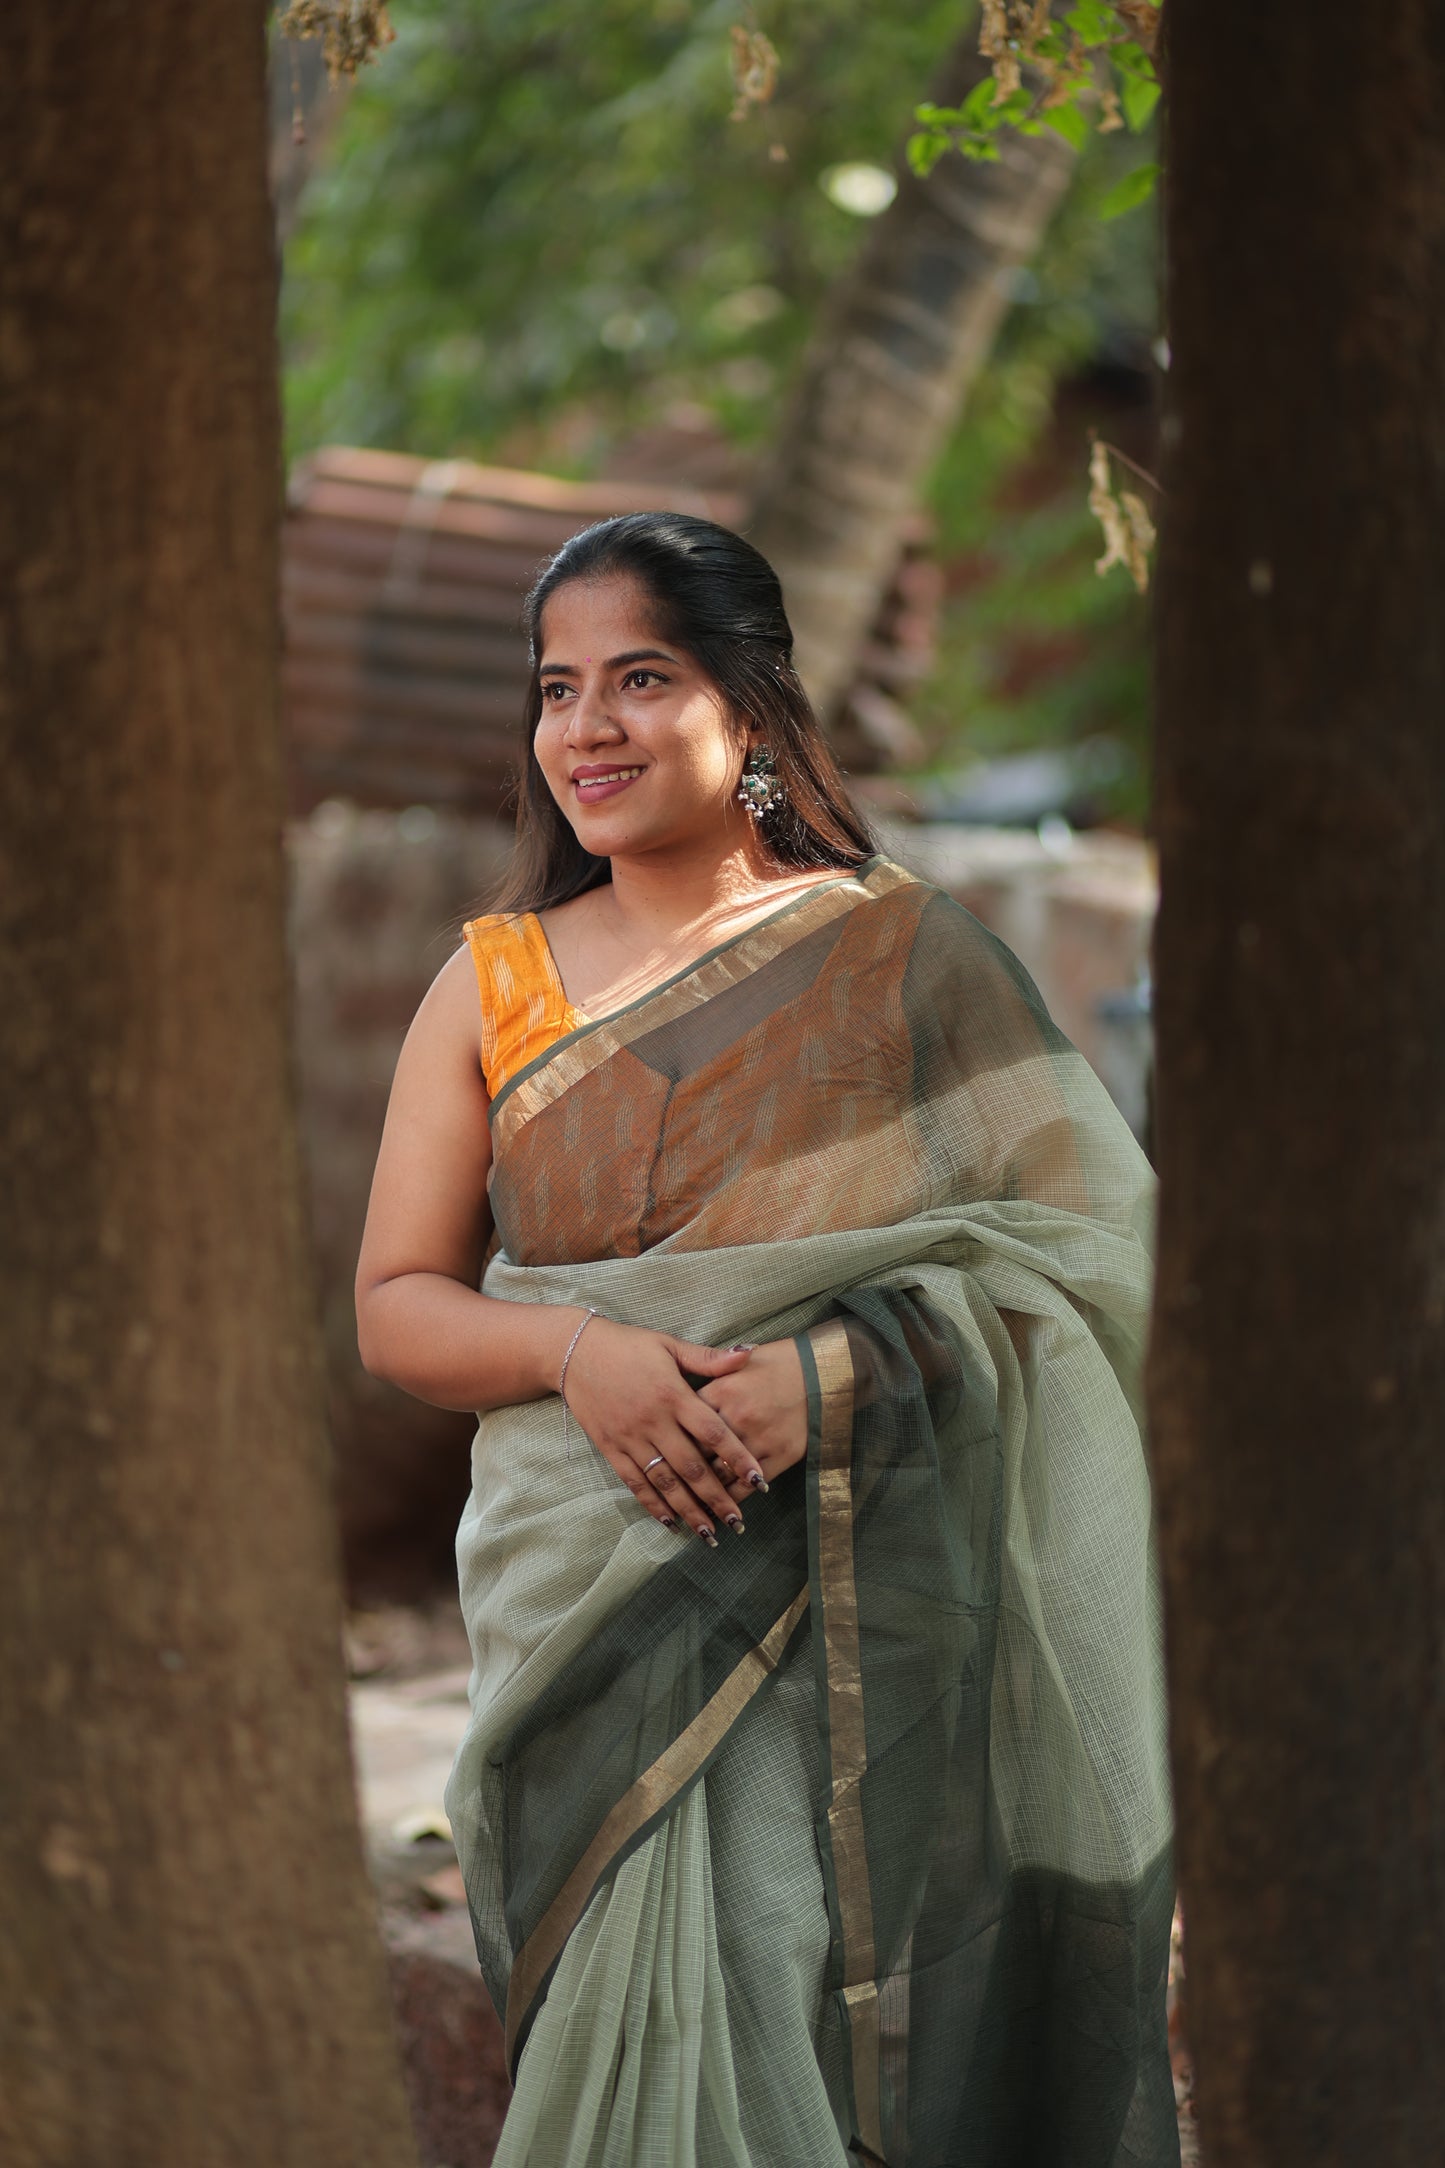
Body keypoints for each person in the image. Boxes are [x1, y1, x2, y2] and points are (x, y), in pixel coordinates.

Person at [355, 512, 1178, 2168]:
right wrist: (580, 1354)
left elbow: (1090, 1260)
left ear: (747, 704)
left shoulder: (905, 960)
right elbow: (398, 1306)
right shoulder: (492, 984)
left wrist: (840, 1377)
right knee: (627, 2002)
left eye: (637, 677)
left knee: (819, 1993)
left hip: (865, 1587)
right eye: (555, 686)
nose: (583, 726)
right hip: (582, 1602)